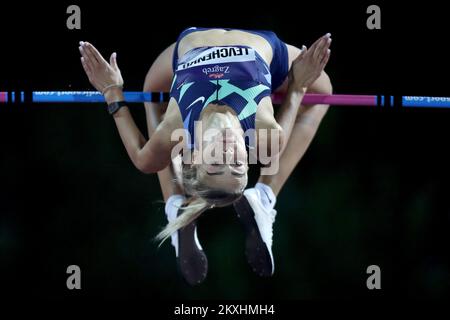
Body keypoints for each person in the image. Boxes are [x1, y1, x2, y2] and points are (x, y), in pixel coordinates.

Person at [78, 27, 332, 285]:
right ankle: (264, 197)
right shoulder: (266, 132)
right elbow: (299, 90)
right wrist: (298, 86)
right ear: (247, 155)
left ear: (195, 155)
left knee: (152, 92)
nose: (227, 152)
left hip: (190, 42)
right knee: (324, 93)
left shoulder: (175, 127)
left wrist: (111, 91)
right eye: (236, 164)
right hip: (267, 47)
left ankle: (176, 204)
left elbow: (141, 158)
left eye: (215, 163)